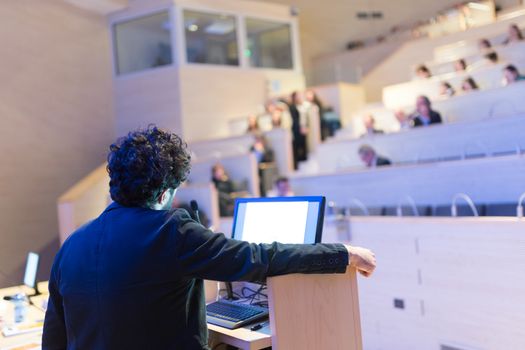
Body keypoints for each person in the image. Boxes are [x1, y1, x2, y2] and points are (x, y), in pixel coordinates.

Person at [42, 126, 376, 350]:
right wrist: (342, 253)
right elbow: (259, 257)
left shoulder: (71, 245)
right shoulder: (170, 230)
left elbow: (53, 341)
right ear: (164, 191)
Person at [288, 91, 309, 169]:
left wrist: (305, 126)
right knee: (297, 146)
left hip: (303, 127)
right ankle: (297, 165)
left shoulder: (302, 106)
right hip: (296, 128)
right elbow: (294, 119)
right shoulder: (292, 106)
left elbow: (305, 117)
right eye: (297, 96)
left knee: (304, 145)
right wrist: (300, 128)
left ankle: (304, 161)